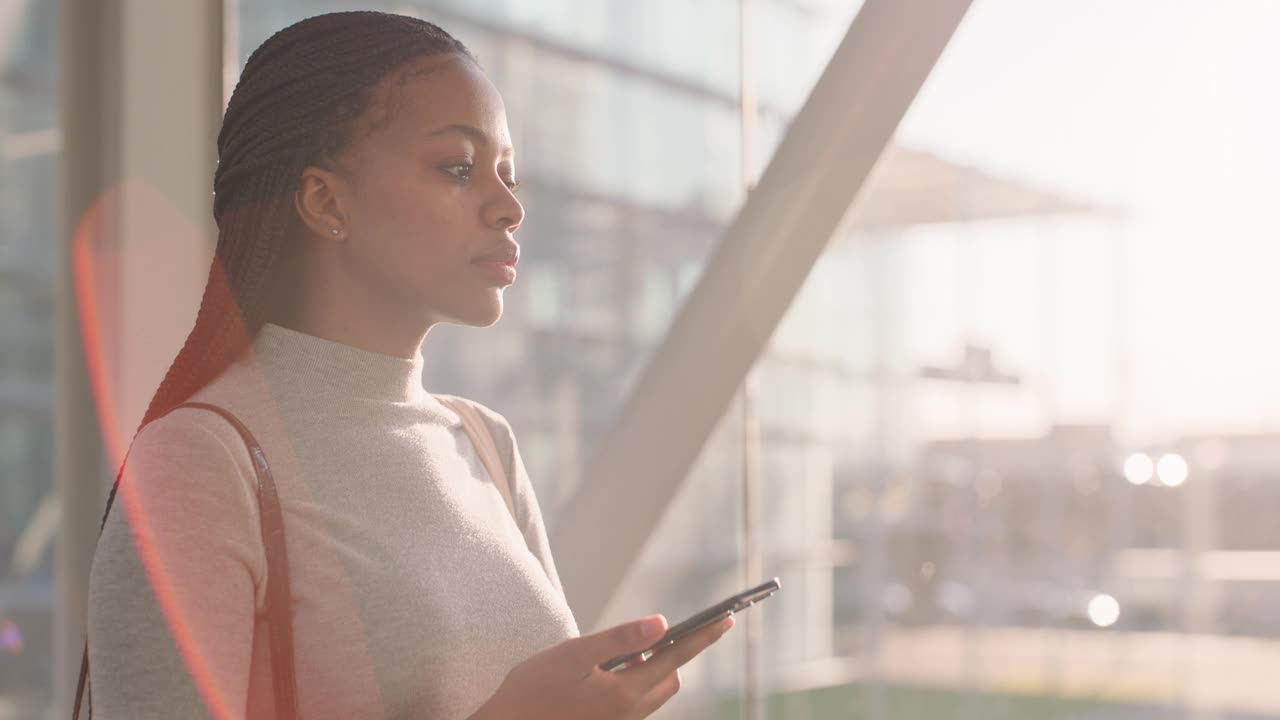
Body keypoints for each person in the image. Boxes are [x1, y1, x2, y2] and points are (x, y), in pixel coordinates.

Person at [85, 10, 732, 719]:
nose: (510, 207)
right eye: (459, 167)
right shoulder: (199, 463)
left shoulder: (485, 444)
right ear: (325, 200)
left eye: (508, 174)